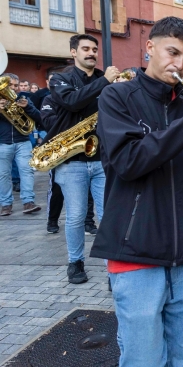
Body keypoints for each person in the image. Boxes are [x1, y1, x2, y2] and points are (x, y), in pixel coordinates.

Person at [91, 16, 183, 366]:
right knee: (143, 359)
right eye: (172, 52)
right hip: (136, 250)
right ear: (150, 48)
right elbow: (129, 162)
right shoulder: (117, 96)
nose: (180, 64)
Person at [48, 34, 118, 283]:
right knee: (76, 215)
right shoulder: (60, 78)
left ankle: (115, 268)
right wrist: (105, 83)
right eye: (85, 48)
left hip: (102, 158)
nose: (91, 53)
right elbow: (71, 102)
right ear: (73, 52)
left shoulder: (105, 78)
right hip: (71, 159)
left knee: (109, 213)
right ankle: (75, 262)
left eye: (94, 49)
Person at [39, 76, 99, 235]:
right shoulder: (49, 99)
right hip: (59, 149)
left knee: (88, 189)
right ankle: (52, 220)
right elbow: (49, 122)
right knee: (56, 189)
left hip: (84, 146)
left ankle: (88, 221)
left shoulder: (80, 98)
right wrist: (71, 119)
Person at [0, 73, 43, 216]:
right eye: (9, 85)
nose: (13, 88)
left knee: (27, 171)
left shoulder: (24, 98)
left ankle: (28, 202)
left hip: (23, 141)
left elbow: (39, 117)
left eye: (15, 85)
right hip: (3, 142)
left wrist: (27, 108)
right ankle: (6, 204)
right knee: (3, 175)